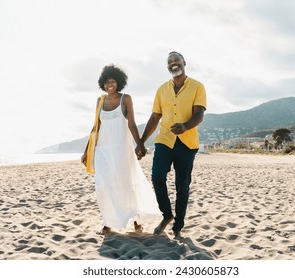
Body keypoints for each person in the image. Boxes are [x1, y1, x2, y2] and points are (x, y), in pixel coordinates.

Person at [81, 64, 161, 235]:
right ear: (102, 83)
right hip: (103, 150)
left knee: (126, 184)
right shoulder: (100, 101)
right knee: (104, 186)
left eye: (113, 81)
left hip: (122, 150)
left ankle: (137, 221)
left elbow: (131, 124)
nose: (110, 84)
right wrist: (86, 151)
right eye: (107, 82)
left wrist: (139, 144)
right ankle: (108, 222)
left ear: (119, 83)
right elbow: (96, 126)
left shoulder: (126, 99)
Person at [135, 51, 207, 239]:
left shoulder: (198, 87)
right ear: (167, 66)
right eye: (169, 62)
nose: (173, 63)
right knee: (157, 177)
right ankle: (167, 215)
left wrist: (185, 126)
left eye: (176, 60)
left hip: (187, 143)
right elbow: (154, 117)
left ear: (184, 63)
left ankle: (178, 225)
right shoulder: (161, 90)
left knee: (182, 186)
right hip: (164, 140)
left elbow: (199, 114)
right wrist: (141, 142)